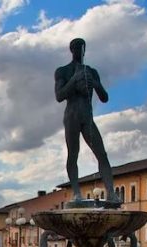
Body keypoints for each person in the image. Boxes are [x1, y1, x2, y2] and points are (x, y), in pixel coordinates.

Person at [55, 38, 116, 203]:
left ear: (84, 50)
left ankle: (111, 192)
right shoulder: (63, 71)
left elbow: (104, 98)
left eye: (81, 48)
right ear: (71, 50)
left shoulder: (91, 71)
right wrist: (74, 79)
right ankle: (76, 193)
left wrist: (95, 83)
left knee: (102, 154)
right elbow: (59, 96)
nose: (79, 51)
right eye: (76, 48)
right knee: (73, 154)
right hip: (72, 116)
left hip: (87, 117)